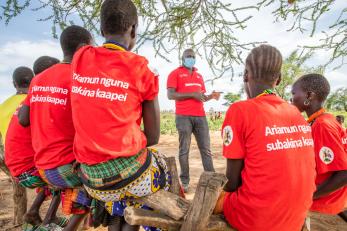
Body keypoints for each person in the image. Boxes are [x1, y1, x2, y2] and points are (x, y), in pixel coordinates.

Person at [70, 0, 170, 230]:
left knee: (118, 193)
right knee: (162, 171)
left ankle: (116, 222)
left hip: (91, 178)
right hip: (129, 176)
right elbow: (153, 137)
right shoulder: (142, 69)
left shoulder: (81, 58)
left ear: (102, 30)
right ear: (134, 30)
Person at [213, 45, 316, 231]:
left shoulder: (240, 110)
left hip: (258, 219)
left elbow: (232, 182)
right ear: (279, 79)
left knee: (214, 199)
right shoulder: (295, 112)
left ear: (245, 75)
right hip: (296, 214)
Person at [19, 26, 93, 231]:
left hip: (42, 167)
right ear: (83, 47)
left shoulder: (39, 79)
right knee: (104, 177)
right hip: (65, 168)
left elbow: (24, 119)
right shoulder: (79, 78)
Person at [5, 57, 64, 230]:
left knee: (55, 170)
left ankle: (34, 212)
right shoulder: (43, 101)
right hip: (29, 171)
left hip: (16, 168)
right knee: (68, 175)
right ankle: (49, 221)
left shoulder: (30, 100)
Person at [291, 74, 347, 227]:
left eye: (294, 93)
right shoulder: (324, 120)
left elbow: (344, 173)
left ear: (309, 95)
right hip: (327, 202)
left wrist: (309, 197)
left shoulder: (322, 125)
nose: (292, 98)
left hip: (322, 207)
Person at [167, 48, 220, 192]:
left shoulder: (199, 76)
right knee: (184, 150)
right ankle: (184, 182)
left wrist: (212, 96)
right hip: (183, 116)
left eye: (193, 56)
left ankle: (212, 180)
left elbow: (201, 97)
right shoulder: (175, 73)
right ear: (182, 58)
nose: (191, 58)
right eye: (188, 56)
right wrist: (192, 95)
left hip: (201, 116)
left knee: (206, 150)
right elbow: (170, 95)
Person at [0, 67, 33, 144]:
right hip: (31, 152)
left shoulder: (2, 106)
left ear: (14, 84)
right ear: (33, 80)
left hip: (8, 152)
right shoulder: (37, 101)